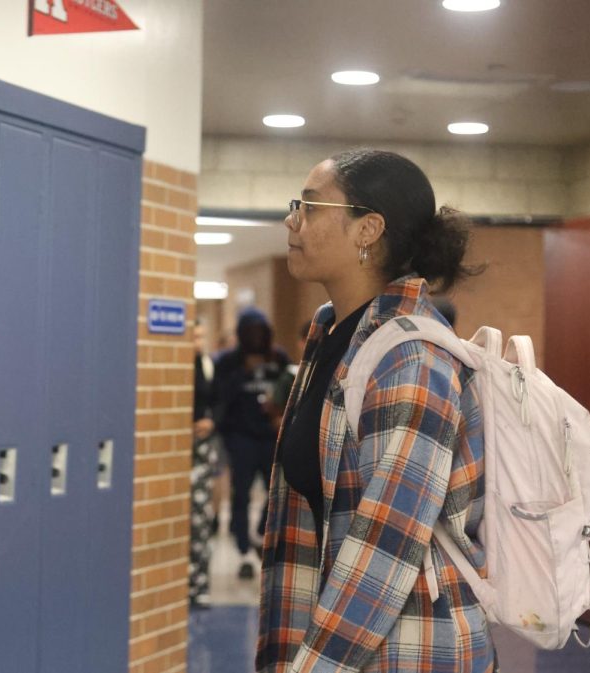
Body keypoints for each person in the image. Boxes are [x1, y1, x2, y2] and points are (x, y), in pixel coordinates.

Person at [257, 149, 491, 672]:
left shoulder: (412, 358)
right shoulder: (331, 334)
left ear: (368, 229)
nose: (291, 220)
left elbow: (387, 544)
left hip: (409, 652)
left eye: (309, 206)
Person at [211, 308, 290, 580]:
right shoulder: (229, 363)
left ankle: (260, 532)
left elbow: (292, 389)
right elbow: (219, 399)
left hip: (270, 436)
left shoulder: (278, 358)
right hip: (240, 437)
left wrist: (279, 413)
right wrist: (242, 374)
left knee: (277, 490)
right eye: (251, 332)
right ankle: (243, 549)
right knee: (241, 494)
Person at [189, 319, 220, 608]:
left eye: (201, 336)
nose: (198, 342)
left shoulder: (208, 366)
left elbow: (218, 402)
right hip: (181, 449)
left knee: (200, 519)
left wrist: (211, 421)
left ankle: (199, 585)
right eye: (193, 336)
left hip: (201, 449)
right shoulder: (178, 367)